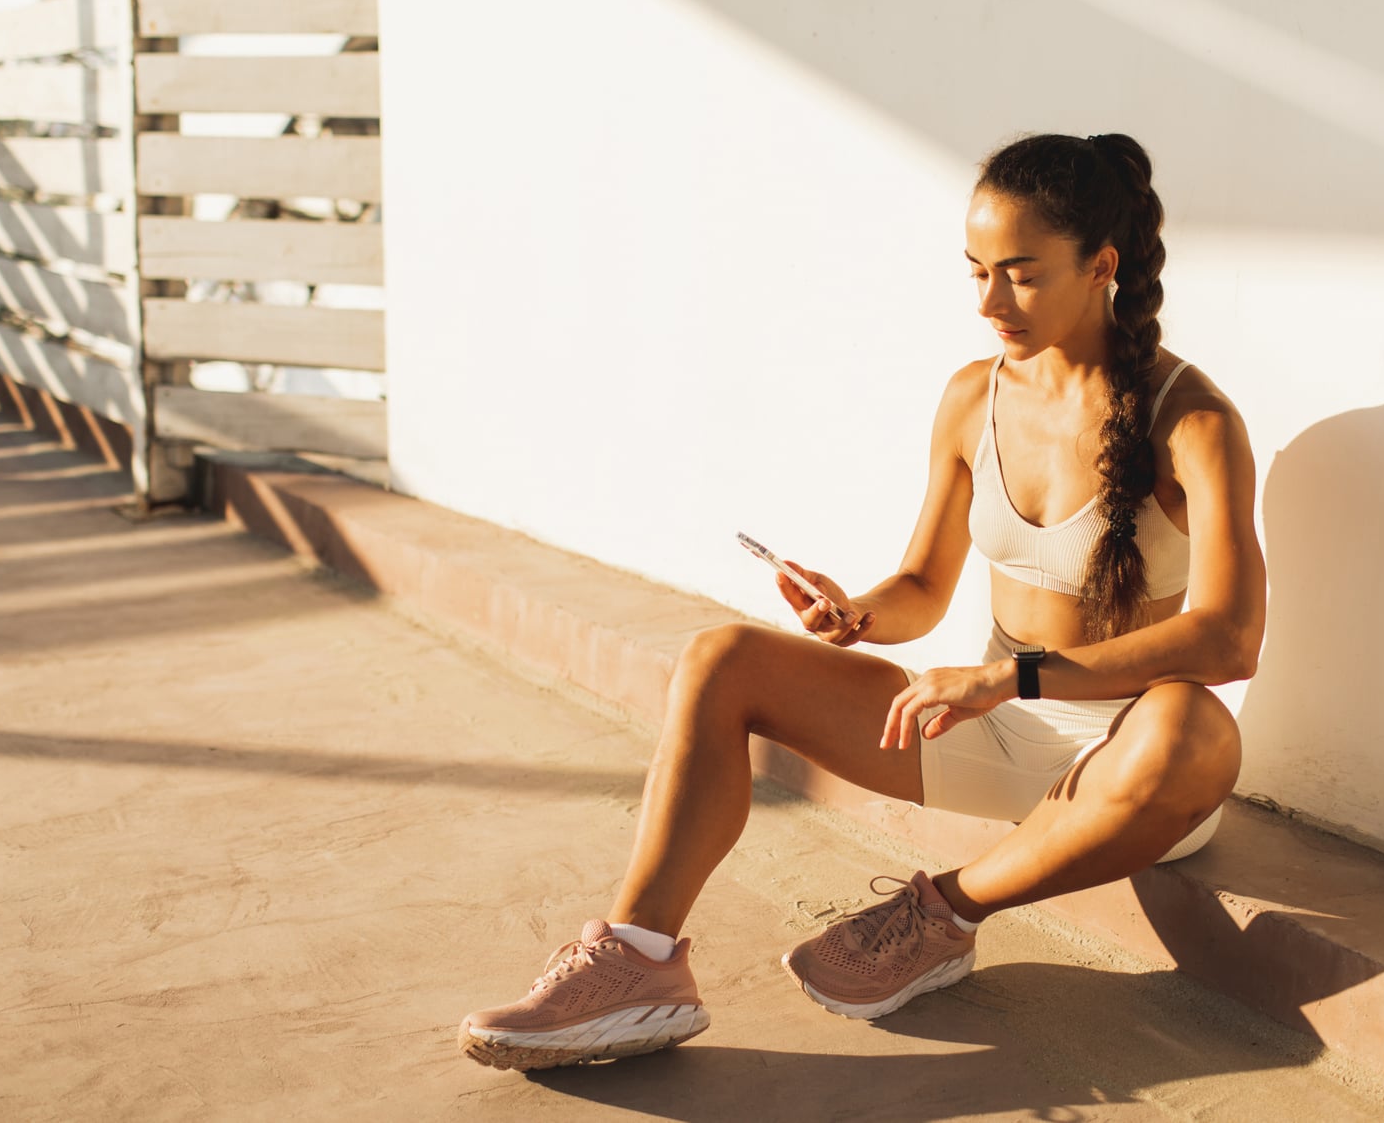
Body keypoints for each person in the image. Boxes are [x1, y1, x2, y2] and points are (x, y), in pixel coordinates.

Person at [459, 132, 1267, 1072]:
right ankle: (638, 961)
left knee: (1195, 726)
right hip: (991, 728)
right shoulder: (973, 398)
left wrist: (1013, 676)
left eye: (1021, 275)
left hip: (1126, 764)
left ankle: (942, 913)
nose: (990, 303)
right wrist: (860, 615)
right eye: (976, 273)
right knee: (723, 657)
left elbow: (1229, 638)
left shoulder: (1192, 419)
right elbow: (924, 585)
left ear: (1101, 265)